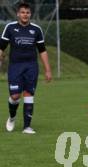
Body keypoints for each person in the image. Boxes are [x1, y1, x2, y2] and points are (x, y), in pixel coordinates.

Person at [0, 2, 52, 134]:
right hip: (15, 66)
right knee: (15, 96)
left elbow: (42, 51)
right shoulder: (10, 28)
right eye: (23, 12)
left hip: (31, 66)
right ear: (18, 14)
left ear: (30, 14)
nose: (25, 15)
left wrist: (48, 70)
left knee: (29, 94)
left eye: (27, 12)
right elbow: (1, 47)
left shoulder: (36, 29)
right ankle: (12, 117)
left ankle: (27, 127)